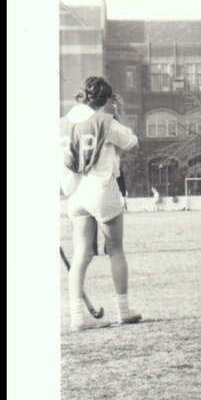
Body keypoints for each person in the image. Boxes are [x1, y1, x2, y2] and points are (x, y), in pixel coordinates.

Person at [59, 77, 141, 331]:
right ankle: (123, 310)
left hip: (75, 193)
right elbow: (131, 143)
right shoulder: (105, 120)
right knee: (115, 249)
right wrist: (122, 113)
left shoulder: (62, 123)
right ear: (106, 100)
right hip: (102, 188)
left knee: (81, 254)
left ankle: (77, 317)